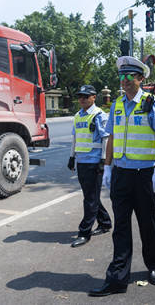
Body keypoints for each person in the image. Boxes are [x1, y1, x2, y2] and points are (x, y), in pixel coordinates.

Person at [89, 56, 155, 297]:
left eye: (129, 77)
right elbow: (112, 137)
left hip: (145, 175)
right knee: (121, 227)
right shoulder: (116, 104)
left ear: (140, 78)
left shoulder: (150, 102)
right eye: (121, 77)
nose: (124, 81)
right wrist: (107, 167)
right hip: (121, 174)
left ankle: (153, 266)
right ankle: (117, 279)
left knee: (148, 223)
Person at [68, 84, 112, 248]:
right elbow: (75, 138)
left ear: (94, 97)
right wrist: (72, 157)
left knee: (90, 199)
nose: (82, 99)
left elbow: (106, 138)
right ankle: (105, 222)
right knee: (90, 196)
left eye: (85, 96)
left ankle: (84, 232)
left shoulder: (99, 115)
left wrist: (103, 161)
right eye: (80, 96)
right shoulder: (78, 116)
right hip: (82, 161)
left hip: (94, 162)